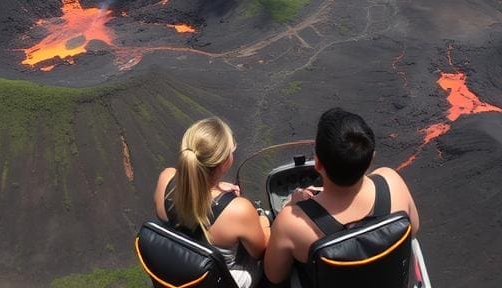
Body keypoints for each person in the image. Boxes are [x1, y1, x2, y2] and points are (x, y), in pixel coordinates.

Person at [263, 107, 420, 286]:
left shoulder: (291, 223)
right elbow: (413, 229)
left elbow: (275, 275)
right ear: (370, 158)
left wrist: (291, 206)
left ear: (318, 163)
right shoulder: (392, 182)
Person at [153, 117, 270, 288]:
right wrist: (264, 220)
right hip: (221, 280)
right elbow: (260, 251)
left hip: (181, 273)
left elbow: (192, 198)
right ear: (224, 164)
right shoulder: (238, 210)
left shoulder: (166, 179)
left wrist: (216, 188)